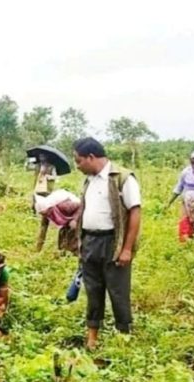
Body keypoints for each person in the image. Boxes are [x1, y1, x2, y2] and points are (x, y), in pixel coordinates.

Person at [73, 137, 141, 350]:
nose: (77, 166)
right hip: (90, 241)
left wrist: (127, 249)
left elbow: (135, 212)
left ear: (91, 157)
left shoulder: (122, 178)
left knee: (118, 290)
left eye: (79, 161)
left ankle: (124, 337)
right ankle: (92, 337)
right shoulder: (89, 180)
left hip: (113, 242)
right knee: (93, 289)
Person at [34, 189, 82, 253]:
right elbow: (43, 230)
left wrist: (75, 220)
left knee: (73, 231)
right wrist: (38, 249)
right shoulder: (45, 213)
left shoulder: (64, 206)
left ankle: (74, 254)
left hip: (80, 213)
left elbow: (81, 206)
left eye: (46, 213)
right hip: (68, 218)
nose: (46, 215)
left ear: (50, 208)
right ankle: (64, 253)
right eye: (43, 214)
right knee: (62, 233)